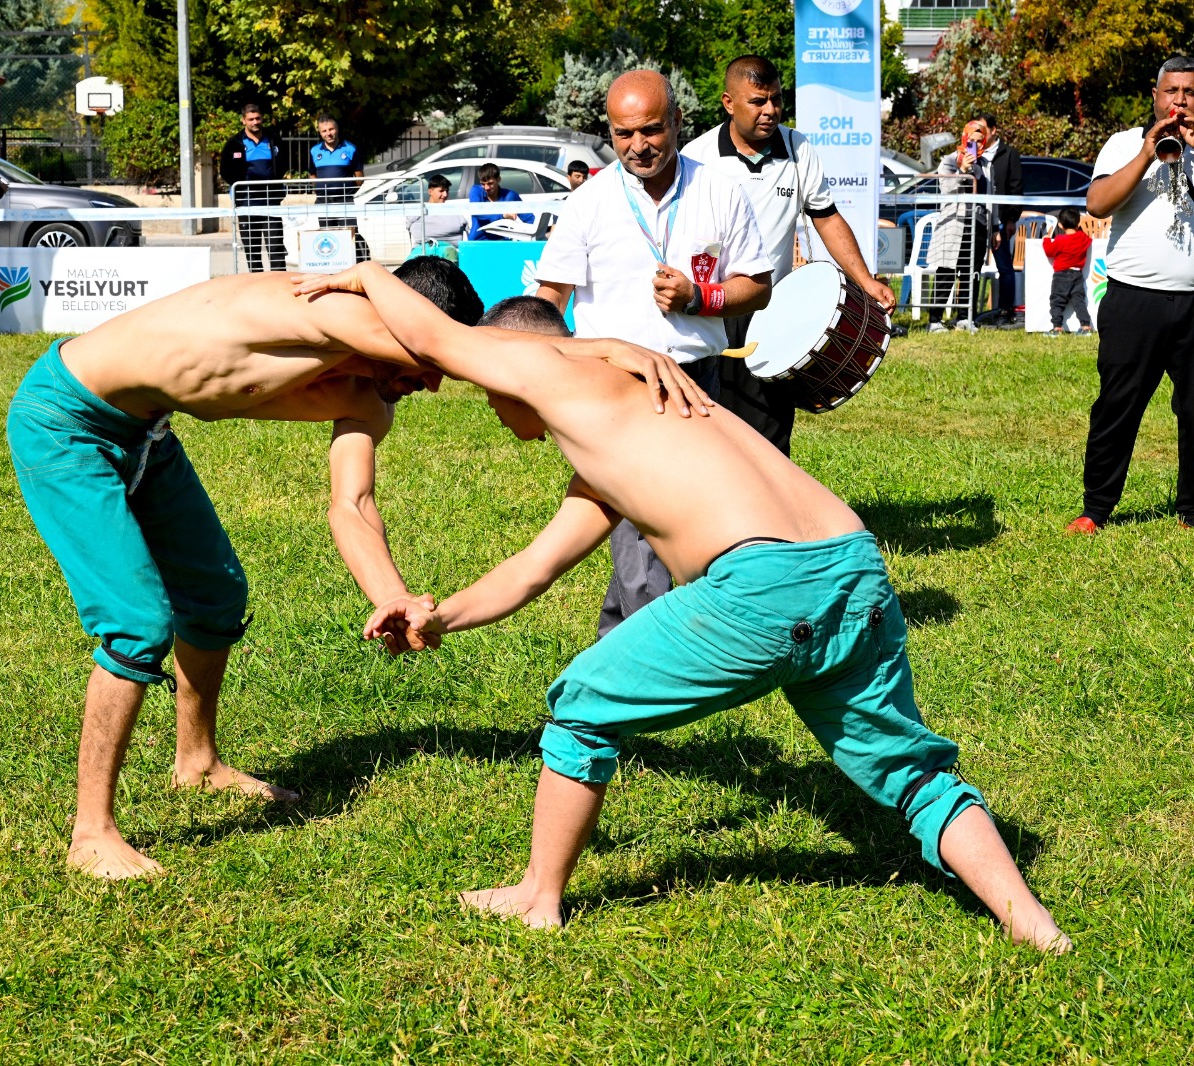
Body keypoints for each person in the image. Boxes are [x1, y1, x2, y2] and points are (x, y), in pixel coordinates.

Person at [300, 264, 1072, 954]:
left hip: (763, 588)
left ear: (513, 368)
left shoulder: (546, 371)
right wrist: (438, 617)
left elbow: (436, 336)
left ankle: (537, 898)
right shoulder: (627, 409)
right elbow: (534, 570)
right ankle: (1031, 922)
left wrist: (367, 274)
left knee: (579, 705)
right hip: (854, 566)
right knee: (911, 772)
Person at [7, 259, 707, 881]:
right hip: (67, 419)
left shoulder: (365, 392)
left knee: (215, 597)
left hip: (145, 430)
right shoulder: (327, 311)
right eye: (421, 364)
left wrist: (393, 595)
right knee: (136, 623)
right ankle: (91, 832)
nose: (431, 385)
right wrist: (611, 349)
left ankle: (198, 763)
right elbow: (461, 349)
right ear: (392, 323)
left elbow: (353, 503)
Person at [532, 68, 773, 639]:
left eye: (650, 130)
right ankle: (647, 664)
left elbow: (757, 284)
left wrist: (702, 296)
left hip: (699, 380)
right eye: (622, 134)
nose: (637, 146)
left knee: (678, 519)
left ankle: (616, 645)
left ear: (678, 122)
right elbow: (550, 297)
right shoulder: (589, 202)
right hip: (618, 388)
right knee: (642, 531)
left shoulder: (720, 189)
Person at [682, 54, 897, 455]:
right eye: (758, 101)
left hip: (771, 311)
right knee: (713, 428)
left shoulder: (799, 148)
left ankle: (773, 513)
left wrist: (866, 281)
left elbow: (827, 218)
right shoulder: (697, 157)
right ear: (729, 103)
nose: (771, 111)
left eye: (777, 100)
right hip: (713, 308)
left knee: (770, 430)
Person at [1068, 56, 1194, 535]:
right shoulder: (1124, 142)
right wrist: (1146, 153)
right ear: (1156, 94)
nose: (1180, 101)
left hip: (1192, 300)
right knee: (1117, 407)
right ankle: (1095, 509)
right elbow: (1097, 203)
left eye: (1190, 93)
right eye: (1172, 91)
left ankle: (1191, 511)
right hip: (1133, 298)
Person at [927, 119, 991, 333]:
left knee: (971, 273)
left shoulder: (984, 164)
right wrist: (962, 169)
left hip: (978, 225)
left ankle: (965, 318)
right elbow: (945, 187)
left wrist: (995, 227)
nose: (975, 144)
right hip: (953, 226)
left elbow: (989, 196)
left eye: (979, 141)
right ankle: (934, 320)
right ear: (964, 137)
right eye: (971, 140)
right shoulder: (949, 160)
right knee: (945, 273)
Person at [219, 103, 287, 273]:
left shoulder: (273, 139)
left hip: (271, 203)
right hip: (247, 203)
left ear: (262, 118)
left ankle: (280, 286)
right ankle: (257, 287)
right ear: (244, 121)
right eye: (251, 119)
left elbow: (284, 163)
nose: (255, 122)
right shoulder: (234, 143)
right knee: (252, 250)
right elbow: (225, 170)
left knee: (276, 247)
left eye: (257, 118)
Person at [975, 112, 1025, 326]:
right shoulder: (973, 153)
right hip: (978, 221)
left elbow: (1016, 187)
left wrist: (1012, 218)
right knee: (973, 267)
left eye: (982, 130)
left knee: (1005, 267)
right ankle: (968, 313)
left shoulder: (1009, 153)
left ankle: (1006, 310)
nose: (979, 135)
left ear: (993, 131)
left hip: (1002, 220)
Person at [308, 112, 364, 253]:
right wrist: (320, 190)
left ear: (337, 129)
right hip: (324, 201)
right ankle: (332, 273)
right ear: (320, 133)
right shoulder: (314, 151)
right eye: (324, 131)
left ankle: (352, 270)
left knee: (349, 237)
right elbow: (312, 174)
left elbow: (359, 176)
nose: (329, 133)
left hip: (344, 200)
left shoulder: (351, 149)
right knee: (327, 237)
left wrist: (348, 192)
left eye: (331, 129)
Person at [1042, 206, 1093, 337]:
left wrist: (1046, 238)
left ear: (1060, 225)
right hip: (1077, 274)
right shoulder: (1083, 238)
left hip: (1061, 275)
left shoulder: (1060, 240)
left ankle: (1057, 327)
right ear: (1078, 223)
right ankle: (1085, 326)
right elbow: (1088, 240)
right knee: (1079, 301)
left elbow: (1049, 251)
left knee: (1057, 301)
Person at [467, 163, 535, 240]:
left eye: (490, 183)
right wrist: (502, 216)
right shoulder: (476, 191)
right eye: (483, 184)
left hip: (502, 243)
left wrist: (529, 233)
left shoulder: (511, 195)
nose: (486, 187)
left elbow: (529, 219)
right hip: (478, 242)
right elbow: (477, 212)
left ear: (499, 179)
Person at [407, 174, 467, 248]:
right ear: (430, 192)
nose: (445, 194)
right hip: (424, 255)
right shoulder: (417, 212)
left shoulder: (455, 212)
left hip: (452, 254)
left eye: (447, 191)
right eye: (441, 191)